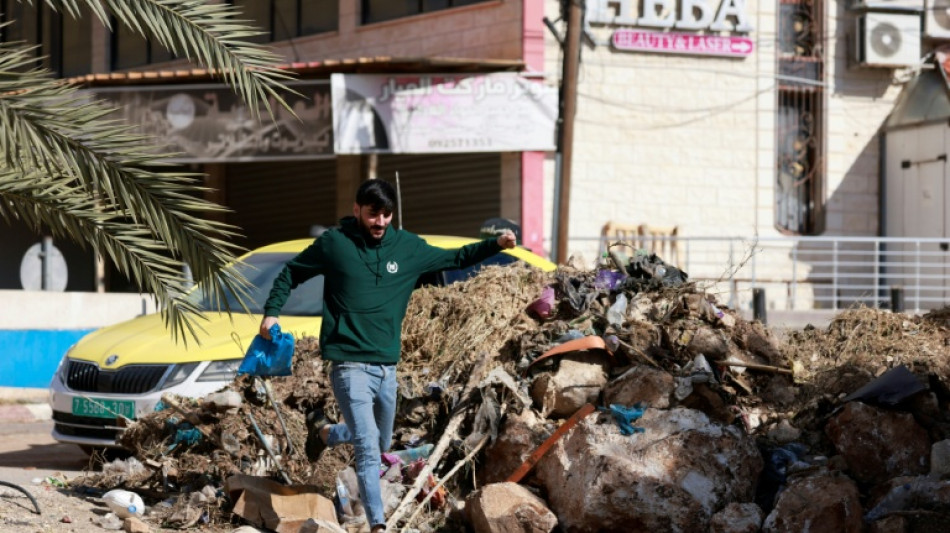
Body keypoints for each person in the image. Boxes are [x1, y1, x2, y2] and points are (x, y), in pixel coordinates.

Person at [259, 179, 516, 532]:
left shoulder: (407, 247)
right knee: (367, 448)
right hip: (349, 366)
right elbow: (291, 273)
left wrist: (496, 245)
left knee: (380, 442)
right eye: (372, 214)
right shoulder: (335, 244)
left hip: (386, 369)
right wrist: (271, 311)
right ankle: (378, 525)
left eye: (385, 215)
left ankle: (327, 434)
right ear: (357, 210)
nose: (379, 222)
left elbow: (456, 256)